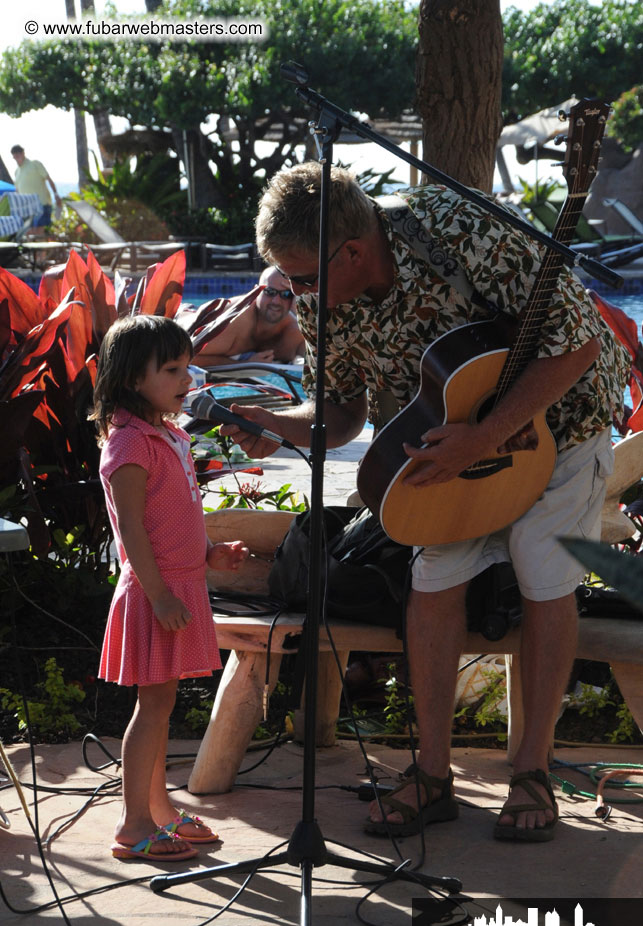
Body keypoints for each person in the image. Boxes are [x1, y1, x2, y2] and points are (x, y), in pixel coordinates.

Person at [221, 162, 630, 843]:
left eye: (305, 279)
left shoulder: (461, 229)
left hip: (560, 422)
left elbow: (580, 342)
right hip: (451, 441)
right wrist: (277, 425)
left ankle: (531, 769)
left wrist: (488, 435)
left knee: (542, 568)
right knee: (434, 575)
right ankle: (432, 775)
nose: (297, 295)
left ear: (353, 251)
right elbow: (340, 414)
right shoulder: (322, 298)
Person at [91, 315, 248, 861]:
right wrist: (159, 595)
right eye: (173, 369)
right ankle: (134, 823)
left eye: (188, 367)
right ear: (134, 378)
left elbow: (174, 515)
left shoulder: (169, 435)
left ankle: (159, 810)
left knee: (162, 703)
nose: (187, 379)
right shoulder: (130, 443)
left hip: (178, 585)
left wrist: (209, 553)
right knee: (153, 706)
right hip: (153, 592)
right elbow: (132, 528)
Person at [193, 265, 305, 367]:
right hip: (189, 318)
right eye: (270, 291)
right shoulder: (232, 321)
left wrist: (302, 309)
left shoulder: (294, 330)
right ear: (256, 291)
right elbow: (188, 358)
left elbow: (314, 356)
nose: (276, 301)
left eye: (286, 294)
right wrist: (244, 364)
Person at [10, 145, 60, 230]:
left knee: (40, 231)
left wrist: (55, 194)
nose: (17, 155)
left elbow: (48, 179)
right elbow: (17, 191)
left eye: (19, 152)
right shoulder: (16, 172)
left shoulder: (35, 164)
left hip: (42, 204)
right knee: (29, 232)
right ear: (13, 156)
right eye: (15, 153)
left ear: (23, 153)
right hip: (27, 209)